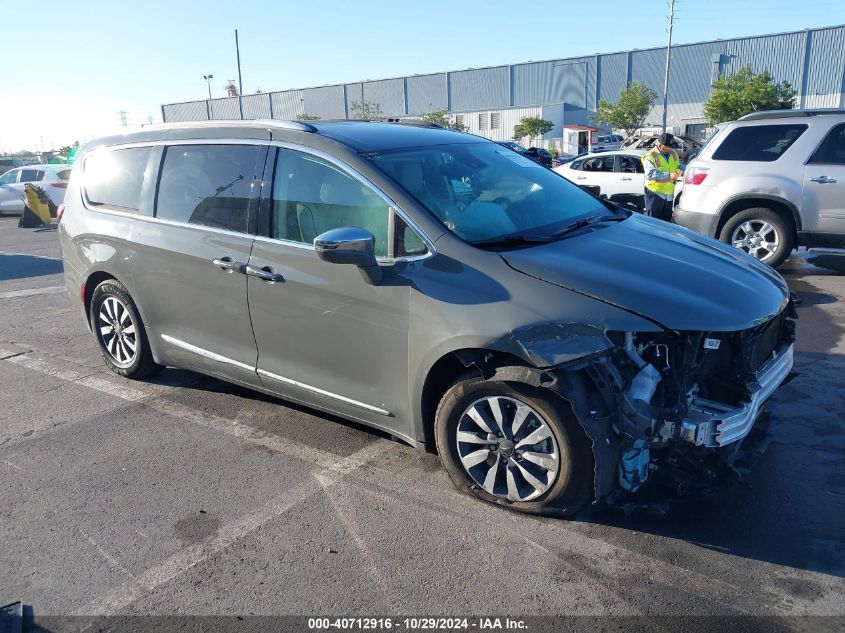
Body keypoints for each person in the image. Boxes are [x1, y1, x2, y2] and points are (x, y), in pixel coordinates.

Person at [641, 132, 682, 222]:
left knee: (666, 223)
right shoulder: (650, 156)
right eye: (666, 147)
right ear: (659, 144)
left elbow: (677, 165)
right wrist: (669, 175)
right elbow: (651, 174)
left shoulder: (673, 153)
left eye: (670, 146)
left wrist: (682, 168)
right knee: (653, 223)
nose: (669, 149)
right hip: (655, 194)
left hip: (669, 194)